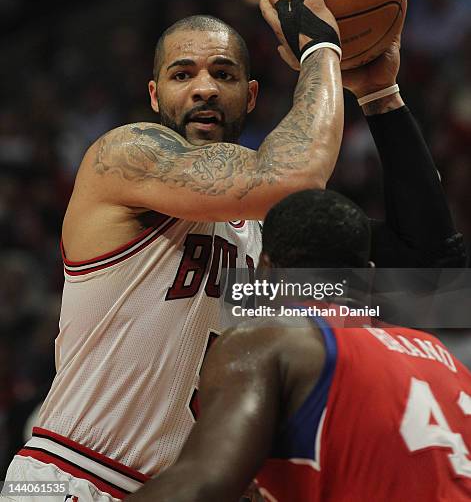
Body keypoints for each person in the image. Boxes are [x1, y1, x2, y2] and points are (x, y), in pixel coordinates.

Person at [1, 0, 464, 500]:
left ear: (250, 96)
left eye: (223, 74)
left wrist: (379, 95)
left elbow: (434, 282)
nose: (203, 88)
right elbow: (291, 176)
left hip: (194, 488)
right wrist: (320, 51)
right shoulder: (124, 155)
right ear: (154, 96)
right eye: (182, 74)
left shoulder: (270, 232)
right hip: (81, 477)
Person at [127, 189, 471, 502]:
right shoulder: (443, 357)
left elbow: (201, 484)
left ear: (264, 268)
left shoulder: (274, 336)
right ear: (367, 274)